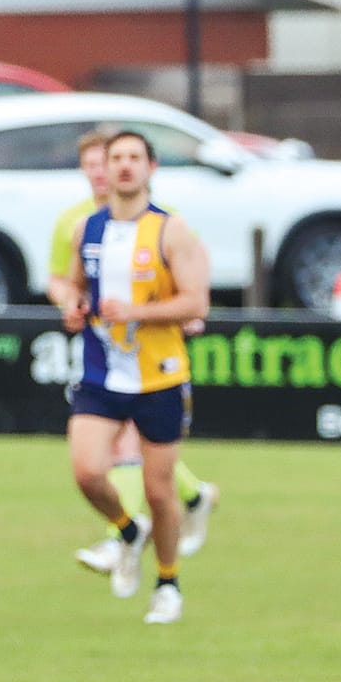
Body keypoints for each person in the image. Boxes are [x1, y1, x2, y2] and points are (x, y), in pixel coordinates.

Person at [47, 131, 219, 572]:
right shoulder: (79, 224)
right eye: (108, 160)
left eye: (131, 157)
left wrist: (148, 312)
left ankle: (161, 573)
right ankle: (128, 529)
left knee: (152, 480)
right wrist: (72, 306)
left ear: (149, 167)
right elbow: (67, 282)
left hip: (155, 366)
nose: (115, 168)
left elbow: (195, 278)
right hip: (102, 367)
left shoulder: (167, 224)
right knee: (91, 470)